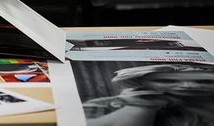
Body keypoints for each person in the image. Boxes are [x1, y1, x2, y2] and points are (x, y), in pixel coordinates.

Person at [83, 63, 214, 125]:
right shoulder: (106, 105)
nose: (189, 86)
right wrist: (143, 105)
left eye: (204, 81)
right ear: (139, 82)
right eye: (165, 81)